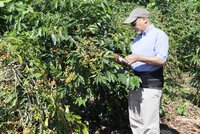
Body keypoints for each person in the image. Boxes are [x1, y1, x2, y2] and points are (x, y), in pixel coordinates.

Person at [115, 7, 169, 134]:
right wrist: (122, 61)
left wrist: (138, 57)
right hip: (135, 84)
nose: (133, 27)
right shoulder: (136, 40)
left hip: (151, 85)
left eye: (134, 23)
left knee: (149, 125)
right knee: (136, 121)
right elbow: (135, 64)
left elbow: (161, 60)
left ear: (144, 19)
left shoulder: (159, 35)